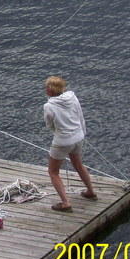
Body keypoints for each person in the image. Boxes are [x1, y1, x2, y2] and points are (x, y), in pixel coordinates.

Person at [43, 76, 97, 212]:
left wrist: (59, 134)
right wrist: (81, 132)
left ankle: (66, 203)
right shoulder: (73, 97)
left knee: (53, 172)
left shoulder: (49, 106)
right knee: (79, 165)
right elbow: (80, 116)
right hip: (78, 136)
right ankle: (91, 191)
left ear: (49, 89)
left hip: (62, 140)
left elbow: (49, 124)